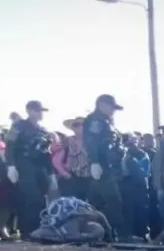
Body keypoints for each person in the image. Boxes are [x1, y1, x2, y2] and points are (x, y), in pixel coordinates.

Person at [83, 94, 132, 242]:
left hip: (111, 167)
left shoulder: (107, 122)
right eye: (111, 107)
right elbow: (92, 142)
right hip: (102, 167)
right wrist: (95, 162)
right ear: (102, 105)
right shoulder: (95, 121)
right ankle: (116, 234)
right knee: (114, 201)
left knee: (96, 202)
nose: (113, 111)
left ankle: (97, 234)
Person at [3, 100, 56, 236]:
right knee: (29, 199)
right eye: (37, 111)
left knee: (40, 200)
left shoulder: (43, 130)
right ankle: (27, 232)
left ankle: (39, 230)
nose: (40, 114)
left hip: (40, 167)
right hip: (25, 166)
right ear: (29, 111)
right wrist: (11, 166)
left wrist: (51, 173)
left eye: (41, 111)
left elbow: (46, 152)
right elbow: (10, 145)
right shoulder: (19, 126)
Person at [121, 133, 150, 240]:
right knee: (127, 211)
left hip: (139, 186)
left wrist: (130, 162)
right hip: (125, 186)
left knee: (140, 210)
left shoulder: (141, 154)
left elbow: (143, 172)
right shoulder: (121, 153)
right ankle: (129, 234)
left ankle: (141, 234)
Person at [62, 117, 90, 200]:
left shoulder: (91, 141)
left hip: (90, 177)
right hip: (72, 177)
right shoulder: (66, 141)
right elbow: (58, 158)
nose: (79, 127)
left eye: (82, 124)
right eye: (76, 125)